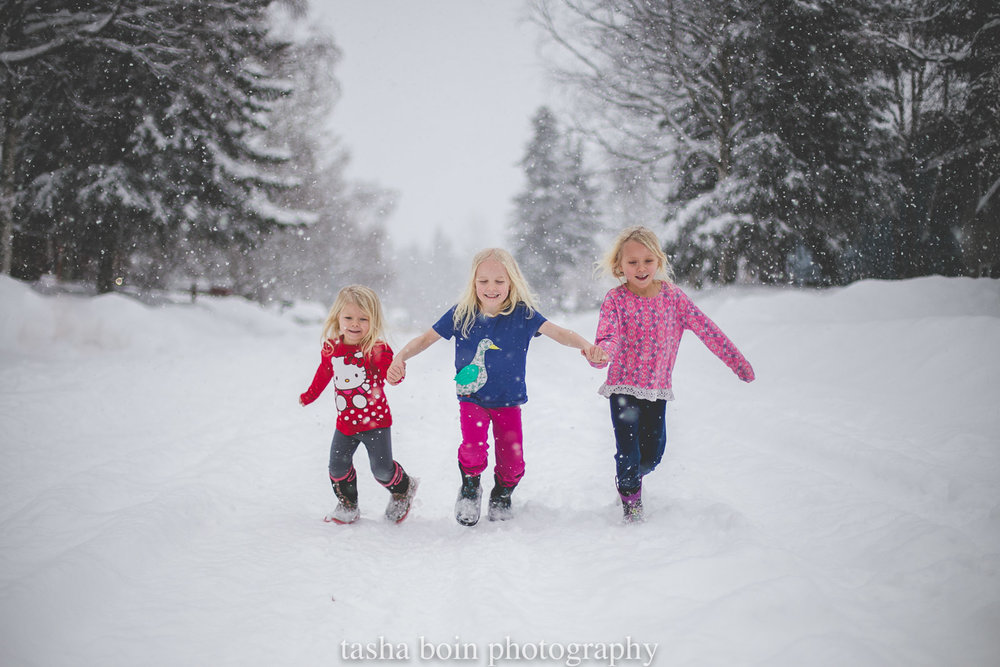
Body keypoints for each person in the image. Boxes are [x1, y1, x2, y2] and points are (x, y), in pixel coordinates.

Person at [387, 248, 606, 526]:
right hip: (472, 398)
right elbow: (425, 339)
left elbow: (560, 332)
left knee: (513, 463)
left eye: (499, 281)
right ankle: (470, 487)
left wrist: (586, 346)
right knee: (473, 448)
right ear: (474, 283)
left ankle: (502, 493)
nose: (491, 288)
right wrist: (401, 356)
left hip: (508, 401)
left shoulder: (523, 315)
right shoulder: (462, 314)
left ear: (511, 282)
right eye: (484, 281)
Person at [590, 226, 755, 523]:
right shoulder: (615, 300)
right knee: (628, 451)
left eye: (647, 260)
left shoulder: (673, 298)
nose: (641, 268)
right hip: (622, 389)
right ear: (619, 266)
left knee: (651, 456)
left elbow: (707, 330)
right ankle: (631, 498)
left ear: (659, 262)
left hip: (656, 389)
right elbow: (608, 336)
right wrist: (602, 354)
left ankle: (632, 479)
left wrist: (736, 362)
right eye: (632, 262)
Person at [299, 285, 418, 525]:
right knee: (337, 467)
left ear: (373, 321)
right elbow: (324, 373)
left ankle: (403, 488)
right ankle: (348, 504)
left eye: (363, 319)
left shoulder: (376, 349)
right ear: (337, 318)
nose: (355, 324)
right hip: (345, 424)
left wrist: (396, 373)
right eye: (349, 317)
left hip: (376, 424)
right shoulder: (332, 349)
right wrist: (310, 394)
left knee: (382, 471)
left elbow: (391, 373)